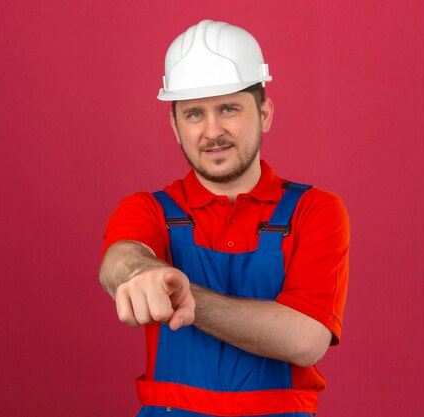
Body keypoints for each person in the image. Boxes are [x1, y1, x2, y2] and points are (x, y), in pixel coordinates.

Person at [99, 19, 349, 417]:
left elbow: (305, 339)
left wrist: (184, 296)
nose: (212, 131)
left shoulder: (314, 211)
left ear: (264, 114)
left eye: (228, 108)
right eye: (194, 114)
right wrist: (138, 272)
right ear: (175, 127)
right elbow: (121, 258)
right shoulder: (148, 209)